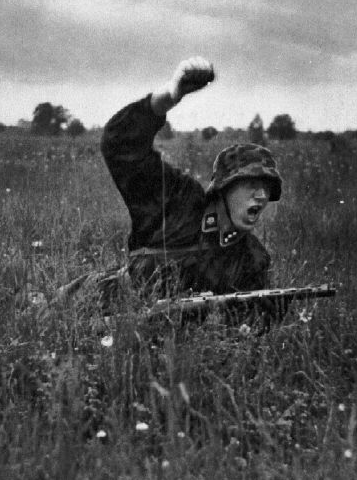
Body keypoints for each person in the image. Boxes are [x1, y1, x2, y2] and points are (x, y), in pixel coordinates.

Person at [96, 57, 283, 306]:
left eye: (266, 188)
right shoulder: (178, 200)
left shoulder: (252, 259)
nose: (261, 196)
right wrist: (166, 98)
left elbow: (254, 326)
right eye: (251, 184)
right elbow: (119, 144)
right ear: (224, 187)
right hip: (97, 303)